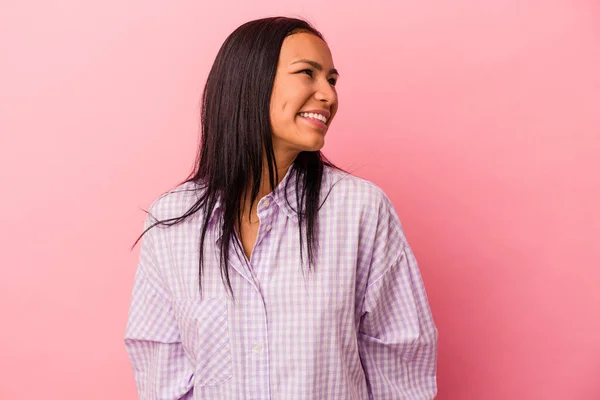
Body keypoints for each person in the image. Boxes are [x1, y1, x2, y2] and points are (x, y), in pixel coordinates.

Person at [125, 16, 438, 400]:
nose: (329, 95)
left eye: (333, 80)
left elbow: (401, 363)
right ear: (250, 81)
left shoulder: (359, 210)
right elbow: (161, 373)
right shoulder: (173, 222)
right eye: (307, 73)